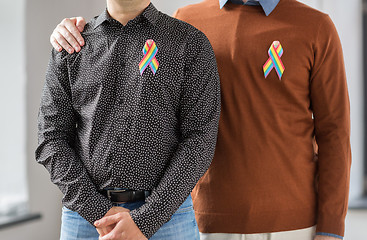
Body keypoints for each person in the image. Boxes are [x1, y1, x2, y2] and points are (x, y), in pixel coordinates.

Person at [49, 0, 351, 239]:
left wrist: (331, 228)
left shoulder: (315, 26)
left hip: (293, 223)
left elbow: (335, 134)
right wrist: (71, 32)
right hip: (204, 218)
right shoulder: (187, 21)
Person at [36, 0, 221, 239]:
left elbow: (200, 140)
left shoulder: (190, 43)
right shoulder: (71, 45)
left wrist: (147, 219)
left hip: (168, 218)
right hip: (85, 219)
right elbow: (50, 139)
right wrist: (98, 211)